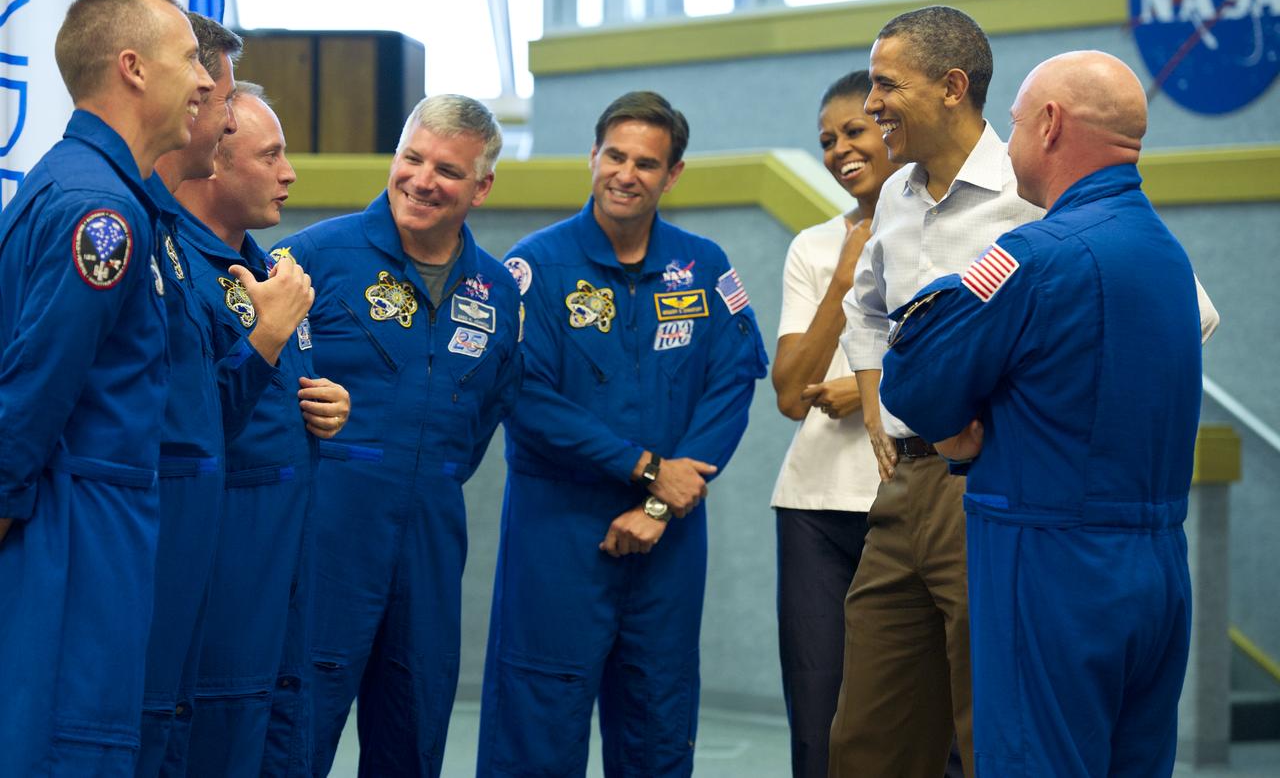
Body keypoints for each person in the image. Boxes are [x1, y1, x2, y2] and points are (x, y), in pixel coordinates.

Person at [878, 51, 1204, 778]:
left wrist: (957, 420)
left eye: (1018, 123)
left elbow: (914, 379)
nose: (1013, 138)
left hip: (1052, 566)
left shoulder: (1035, 255)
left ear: (1050, 125)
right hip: (1158, 570)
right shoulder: (1167, 256)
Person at [478, 90, 769, 777]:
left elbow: (732, 384)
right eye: (615, 155)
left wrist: (663, 501)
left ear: (672, 176)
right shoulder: (536, 268)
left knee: (659, 722)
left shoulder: (704, 267)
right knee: (537, 723)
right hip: (559, 536)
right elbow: (526, 396)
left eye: (647, 162)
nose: (626, 173)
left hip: (667, 538)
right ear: (592, 158)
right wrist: (645, 468)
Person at [276, 94, 522, 777]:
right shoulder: (313, 259)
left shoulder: (498, 293)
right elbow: (246, 385)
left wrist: (420, 473)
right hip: (323, 533)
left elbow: (481, 420)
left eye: (446, 169)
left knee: (413, 734)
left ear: (482, 186)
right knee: (296, 727)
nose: (421, 179)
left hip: (430, 540)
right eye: (411, 158)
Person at [0, 0, 213, 776]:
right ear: (132, 68)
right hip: (73, 526)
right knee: (70, 746)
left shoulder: (87, 187)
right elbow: (32, 391)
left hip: (88, 514)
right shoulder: (103, 215)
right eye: (190, 58)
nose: (203, 80)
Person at [829, 6, 1044, 778]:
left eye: (887, 84)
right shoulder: (896, 195)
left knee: (993, 729)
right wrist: (874, 399)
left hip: (991, 489)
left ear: (952, 87)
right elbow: (866, 308)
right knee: (868, 739)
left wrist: (1022, 429)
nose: (871, 103)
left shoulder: (1036, 185)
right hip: (903, 489)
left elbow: (1170, 315)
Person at [174, 82, 348, 777]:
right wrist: (265, 338)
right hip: (220, 568)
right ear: (214, 161)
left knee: (280, 737)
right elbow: (188, 426)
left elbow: (275, 398)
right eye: (271, 154)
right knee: (217, 741)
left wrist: (329, 405)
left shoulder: (277, 272)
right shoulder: (180, 270)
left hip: (287, 557)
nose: (290, 173)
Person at [768, 70, 898, 778]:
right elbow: (791, 392)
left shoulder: (956, 227)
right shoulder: (814, 248)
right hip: (814, 509)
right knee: (818, 720)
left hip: (907, 501)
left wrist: (867, 386)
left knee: (922, 719)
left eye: (855, 130)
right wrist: (845, 275)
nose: (841, 149)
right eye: (827, 139)